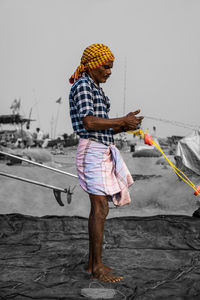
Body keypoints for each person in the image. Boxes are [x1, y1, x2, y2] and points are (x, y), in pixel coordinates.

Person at [69, 43, 143, 282]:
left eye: (112, 68)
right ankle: (98, 267)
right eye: (106, 67)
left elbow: (105, 128)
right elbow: (90, 123)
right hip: (91, 150)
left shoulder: (96, 88)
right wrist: (121, 119)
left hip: (101, 148)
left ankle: (93, 265)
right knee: (100, 208)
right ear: (92, 65)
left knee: (100, 208)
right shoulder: (82, 86)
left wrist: (126, 126)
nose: (110, 72)